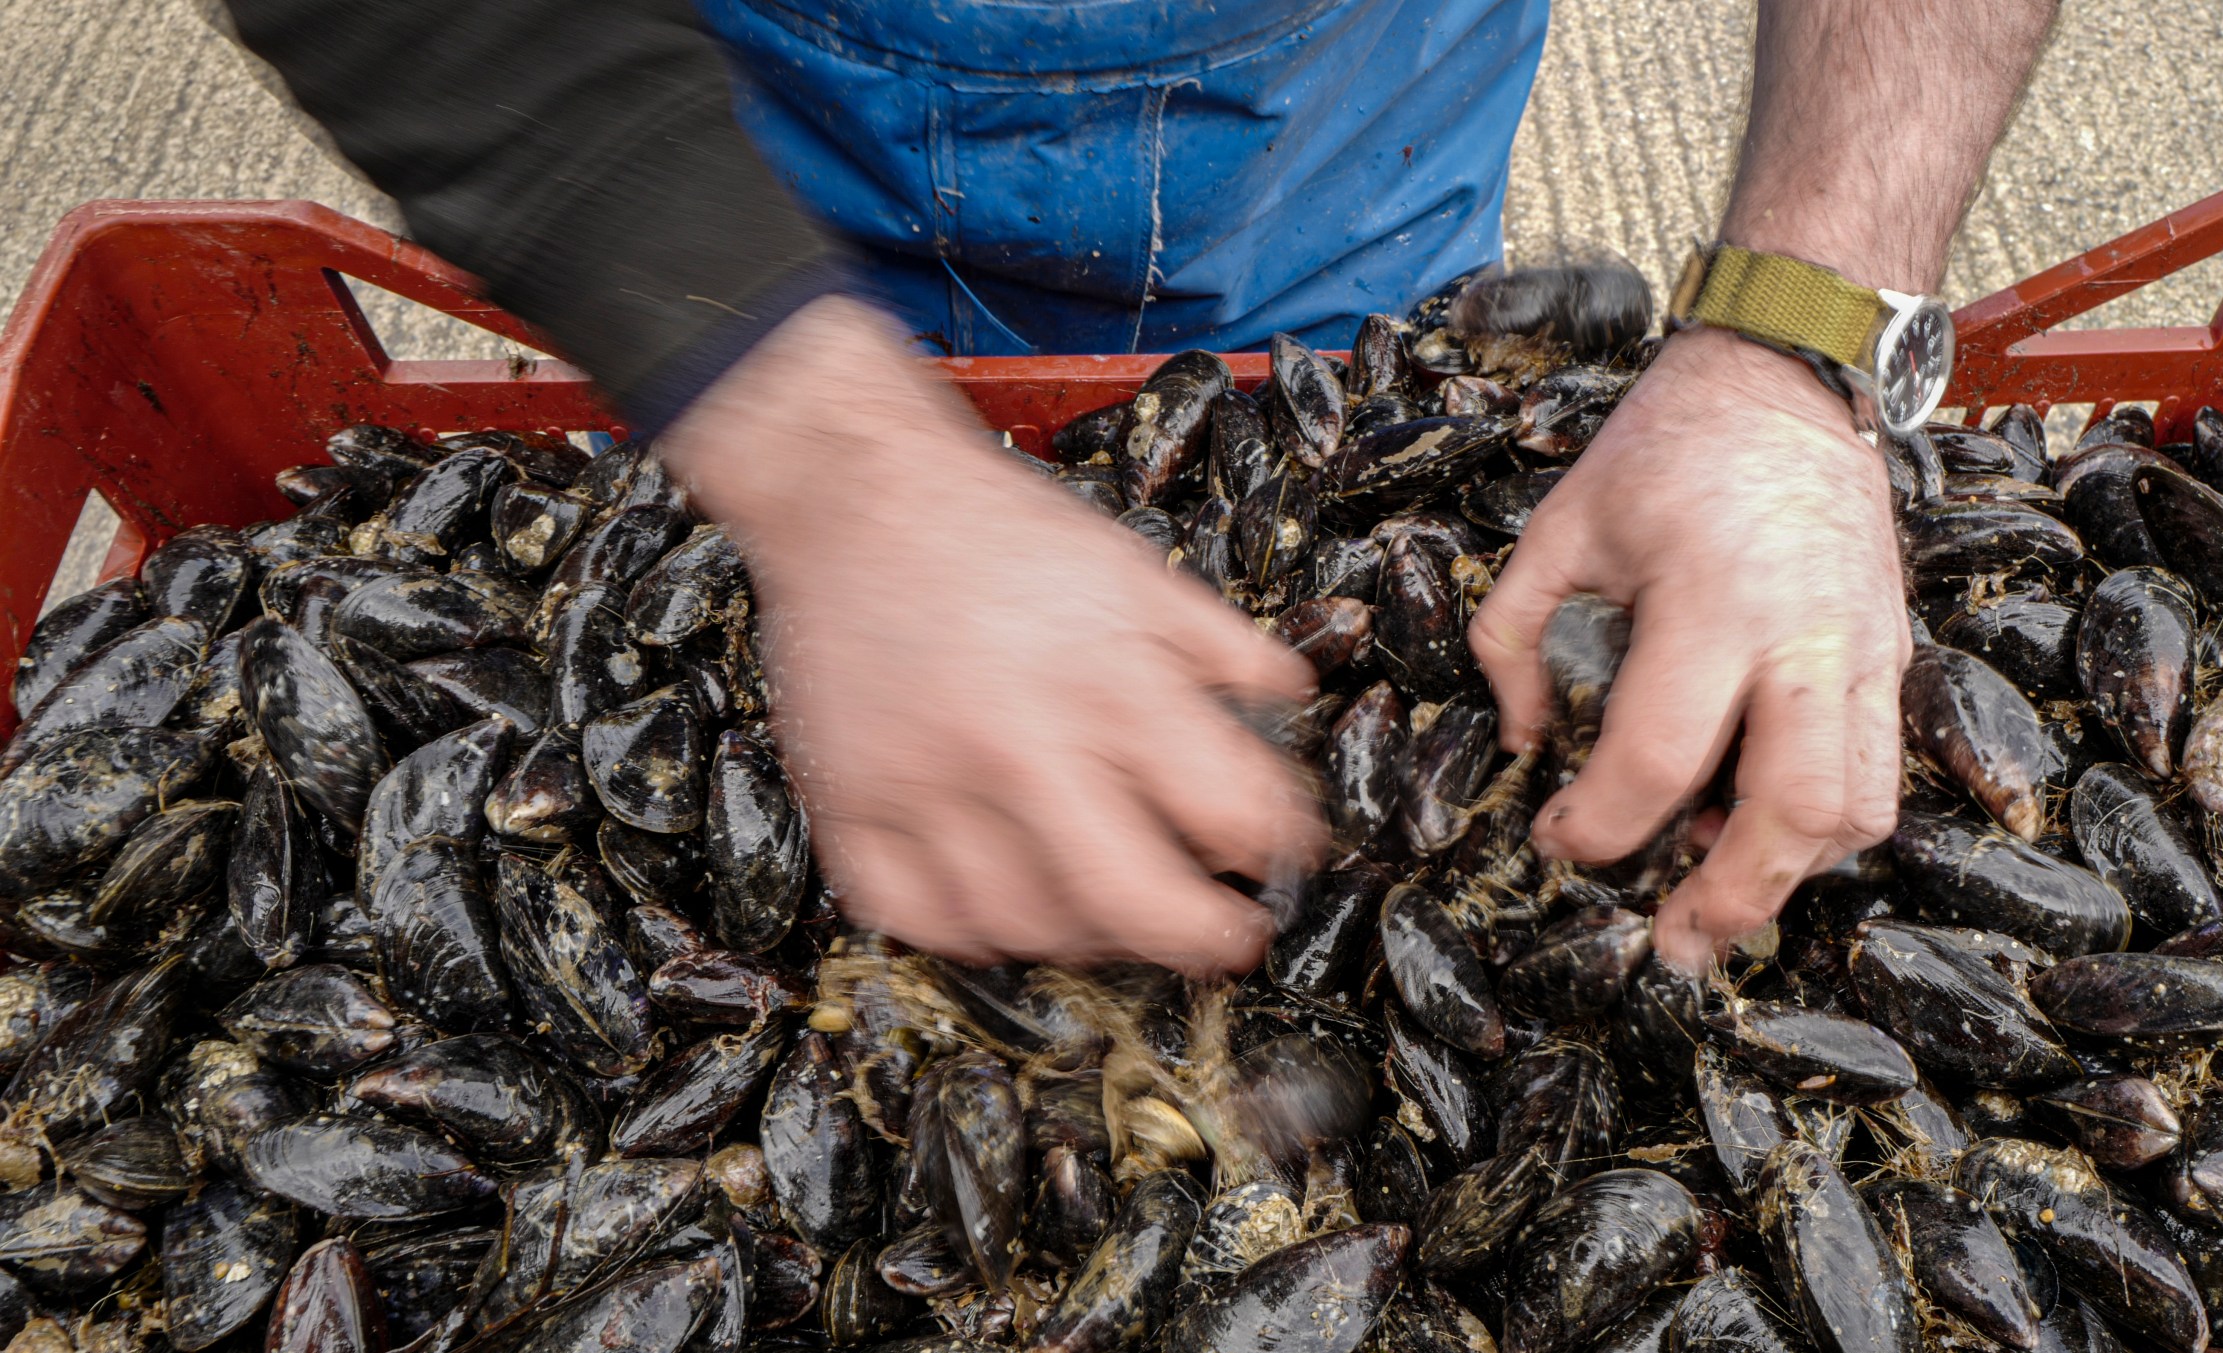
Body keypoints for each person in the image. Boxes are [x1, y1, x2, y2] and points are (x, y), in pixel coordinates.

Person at [217, 0, 2059, 977]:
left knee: (1358, 429)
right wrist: (820, 466)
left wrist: (1802, 327)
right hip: (723, 144)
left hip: (1344, 104)